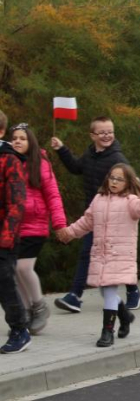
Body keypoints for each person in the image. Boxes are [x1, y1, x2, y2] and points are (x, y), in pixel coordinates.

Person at [56, 164, 140, 347]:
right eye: (112, 177)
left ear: (128, 182)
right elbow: (87, 221)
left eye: (120, 179)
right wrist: (69, 232)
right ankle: (125, 316)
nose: (114, 182)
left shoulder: (131, 201)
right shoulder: (99, 199)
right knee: (104, 290)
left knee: (109, 290)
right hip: (101, 254)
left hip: (119, 255)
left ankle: (107, 331)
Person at [51, 116, 139, 313]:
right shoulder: (91, 154)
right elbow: (76, 168)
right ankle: (132, 292)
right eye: (102, 132)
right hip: (95, 213)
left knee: (101, 255)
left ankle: (75, 295)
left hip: (114, 217)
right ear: (92, 135)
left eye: (110, 132)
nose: (107, 136)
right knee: (100, 256)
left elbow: (132, 183)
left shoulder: (117, 159)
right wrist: (61, 149)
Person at [10, 124, 67, 335]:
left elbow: (53, 194)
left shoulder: (40, 163)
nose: (17, 141)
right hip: (13, 225)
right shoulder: (8, 162)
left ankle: (39, 306)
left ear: (30, 142)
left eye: (22, 138)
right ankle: (25, 312)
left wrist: (59, 224)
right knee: (13, 270)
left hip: (35, 225)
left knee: (23, 267)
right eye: (14, 138)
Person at [0, 110, 30, 354]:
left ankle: (20, 330)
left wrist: (5, 238)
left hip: (4, 236)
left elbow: (17, 203)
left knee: (4, 283)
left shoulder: (10, 160)